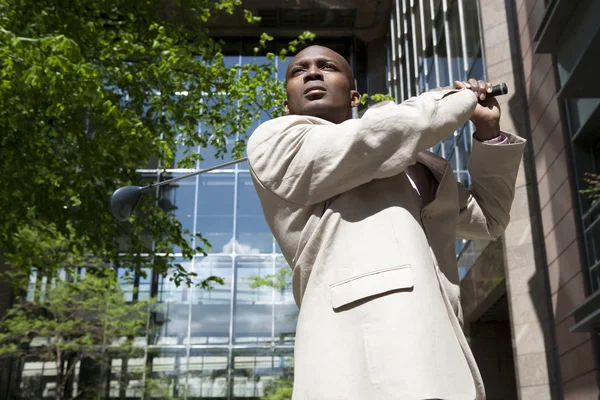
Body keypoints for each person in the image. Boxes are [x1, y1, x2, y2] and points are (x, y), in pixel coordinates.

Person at [247, 45, 526, 400]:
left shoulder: (416, 164)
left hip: (436, 347)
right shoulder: (275, 141)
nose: (312, 73)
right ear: (286, 104)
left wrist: (488, 134)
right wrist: (454, 99)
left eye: (326, 66)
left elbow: (490, 219)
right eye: (298, 70)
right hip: (358, 356)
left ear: (353, 96)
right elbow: (375, 137)